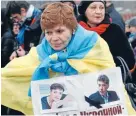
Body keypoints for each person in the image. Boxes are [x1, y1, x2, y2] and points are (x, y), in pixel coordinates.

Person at [2, 2, 130, 115]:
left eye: (59, 31)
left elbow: (111, 82)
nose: (54, 38)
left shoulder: (94, 44)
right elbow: (12, 73)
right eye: (48, 32)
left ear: (73, 29)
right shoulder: (42, 50)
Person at [78, 1, 135, 74]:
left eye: (101, 8)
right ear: (84, 10)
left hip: (111, 79)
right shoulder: (75, 31)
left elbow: (129, 61)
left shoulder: (114, 30)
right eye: (93, 7)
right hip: (82, 80)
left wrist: (106, 63)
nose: (98, 12)